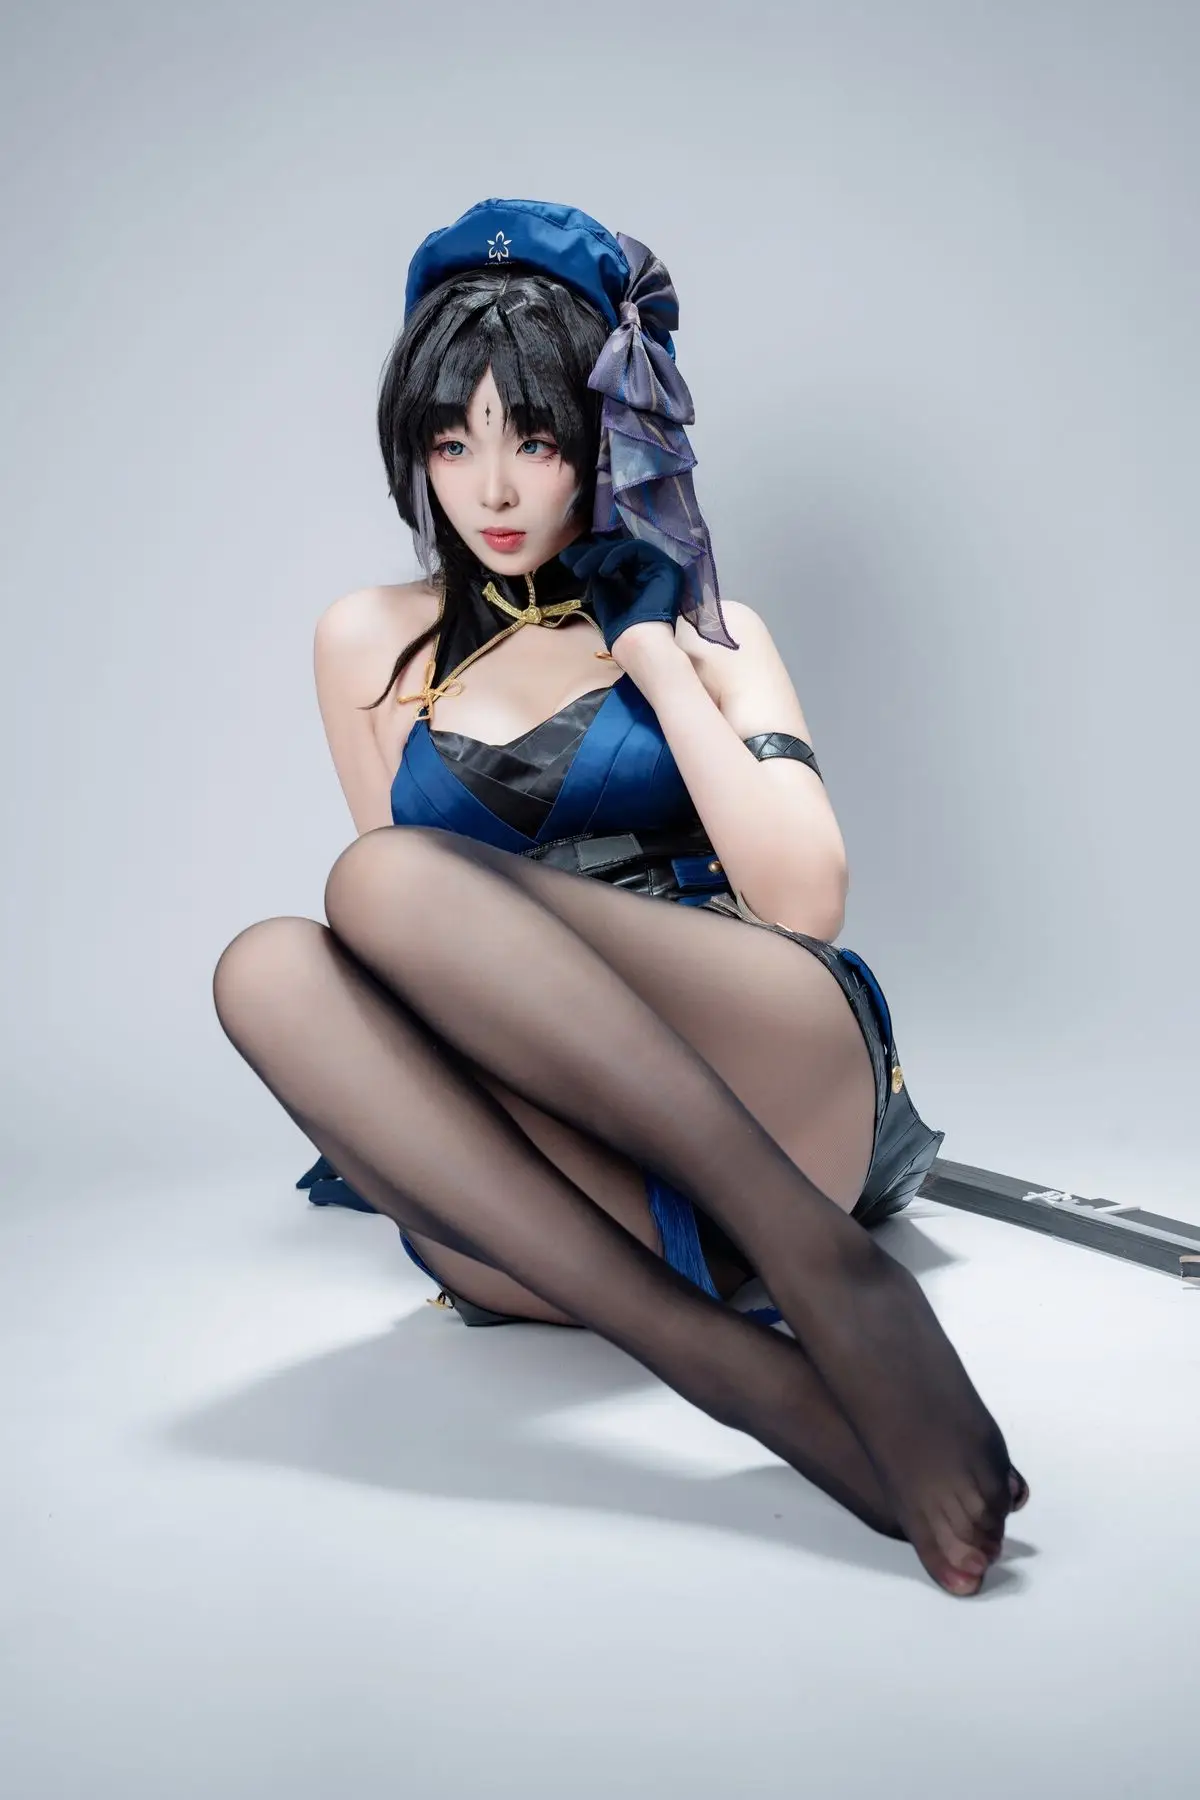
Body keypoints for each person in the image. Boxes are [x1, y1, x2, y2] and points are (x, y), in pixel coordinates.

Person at [212, 197, 1029, 1597]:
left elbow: (805, 900)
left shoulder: (714, 630)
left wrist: (652, 649)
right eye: (453, 442)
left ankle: (830, 1276)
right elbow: (405, 982)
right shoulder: (367, 643)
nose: (493, 488)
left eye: (534, 440)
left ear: (607, 441)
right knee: (272, 964)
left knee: (382, 875)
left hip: (772, 1081)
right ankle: (748, 1381)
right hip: (573, 1186)